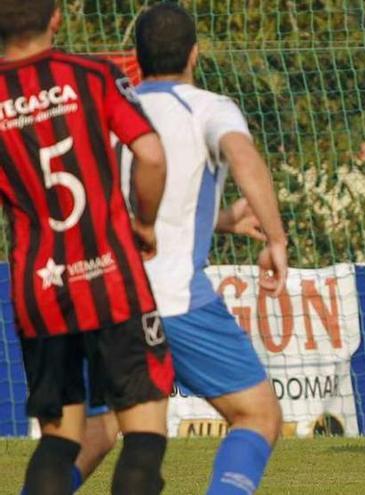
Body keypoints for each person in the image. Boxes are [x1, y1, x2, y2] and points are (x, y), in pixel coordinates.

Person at [72, 3, 289, 493]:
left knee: (99, 431)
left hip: (107, 295)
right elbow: (244, 157)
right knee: (256, 416)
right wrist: (276, 237)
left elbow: (137, 203)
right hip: (174, 299)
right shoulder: (209, 107)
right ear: (195, 54)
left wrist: (224, 222)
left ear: (137, 57)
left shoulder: (109, 111)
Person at [0, 1, 173, 493]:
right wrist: (145, 222)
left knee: (59, 441)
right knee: (142, 435)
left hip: (41, 288)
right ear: (55, 17)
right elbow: (151, 155)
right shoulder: (93, 75)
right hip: (111, 276)